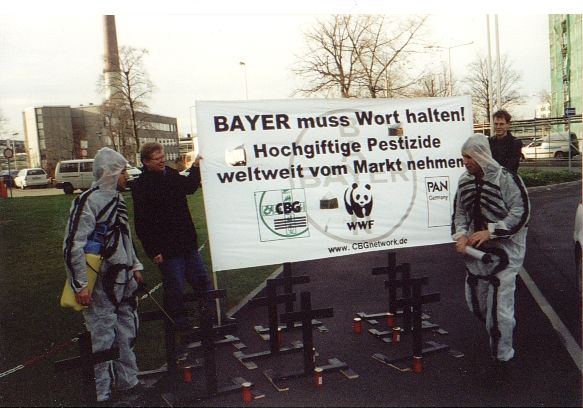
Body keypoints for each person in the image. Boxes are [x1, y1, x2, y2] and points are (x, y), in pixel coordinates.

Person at [63, 147, 144, 404]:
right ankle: (102, 392)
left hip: (123, 280)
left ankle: (128, 381)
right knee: (102, 337)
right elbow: (73, 245)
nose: (127, 177)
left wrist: (135, 266)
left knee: (127, 331)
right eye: (123, 172)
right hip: (99, 282)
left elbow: (124, 236)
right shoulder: (87, 201)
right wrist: (80, 285)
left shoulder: (117, 199)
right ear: (109, 172)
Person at [452, 134, 530, 368]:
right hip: (476, 255)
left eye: (469, 157)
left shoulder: (506, 179)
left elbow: (521, 213)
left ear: (481, 155)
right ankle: (500, 328)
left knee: (498, 311)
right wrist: (461, 235)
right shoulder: (464, 181)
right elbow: (459, 213)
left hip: (505, 252)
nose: (465, 161)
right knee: (478, 304)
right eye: (463, 156)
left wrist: (491, 231)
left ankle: (502, 356)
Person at [131, 142, 220, 329]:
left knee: (202, 281)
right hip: (167, 249)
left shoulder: (171, 174)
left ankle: (213, 315)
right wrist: (153, 250)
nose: (162, 161)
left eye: (163, 157)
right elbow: (142, 223)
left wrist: (195, 167)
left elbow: (189, 187)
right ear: (146, 162)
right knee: (175, 287)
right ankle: (179, 324)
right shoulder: (141, 185)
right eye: (157, 159)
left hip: (187, 243)